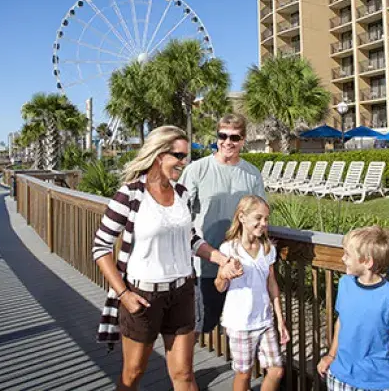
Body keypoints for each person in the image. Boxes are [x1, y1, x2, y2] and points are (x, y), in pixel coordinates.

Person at [92, 126, 243, 391]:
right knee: (133, 373)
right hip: (143, 297)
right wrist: (124, 294)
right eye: (179, 156)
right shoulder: (130, 194)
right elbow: (101, 247)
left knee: (184, 374)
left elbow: (192, 239)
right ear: (159, 155)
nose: (184, 162)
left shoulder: (181, 192)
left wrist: (221, 260)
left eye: (187, 156)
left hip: (182, 293)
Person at [180, 113, 266, 334]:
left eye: (235, 138)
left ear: (243, 140)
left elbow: (261, 217)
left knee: (240, 327)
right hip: (205, 265)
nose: (228, 142)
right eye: (223, 135)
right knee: (201, 326)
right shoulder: (196, 170)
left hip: (241, 267)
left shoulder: (252, 174)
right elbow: (180, 216)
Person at [317, 226, 389, 391]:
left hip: (377, 381)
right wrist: (330, 356)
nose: (343, 259)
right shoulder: (345, 284)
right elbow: (341, 321)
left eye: (348, 255)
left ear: (367, 262)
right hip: (340, 376)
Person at [215, 195, 289, 391]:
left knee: (276, 370)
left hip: (264, 320)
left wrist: (280, 320)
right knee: (244, 373)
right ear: (242, 217)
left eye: (266, 219)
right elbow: (219, 286)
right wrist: (224, 275)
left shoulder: (268, 249)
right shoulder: (229, 249)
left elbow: (272, 283)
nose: (263, 223)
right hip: (240, 323)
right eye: (258, 218)